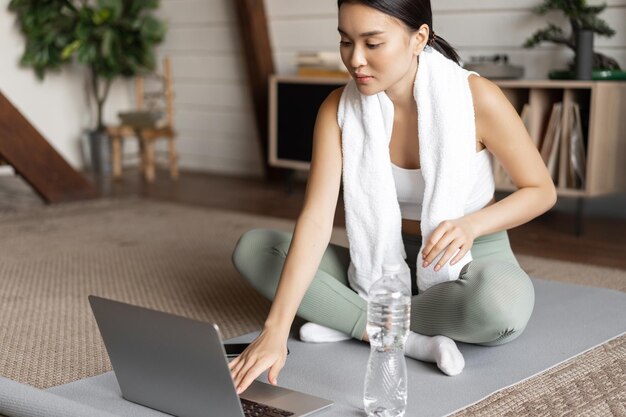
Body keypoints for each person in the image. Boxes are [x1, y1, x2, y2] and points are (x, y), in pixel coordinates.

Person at [229, 0, 556, 395]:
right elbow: (316, 219)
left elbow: (541, 190)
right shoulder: (338, 109)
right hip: (382, 254)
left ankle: (350, 319)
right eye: (346, 42)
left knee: (499, 309)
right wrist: (274, 330)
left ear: (418, 38)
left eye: (373, 43)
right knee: (255, 250)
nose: (355, 60)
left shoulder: (476, 98)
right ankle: (407, 338)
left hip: (466, 253)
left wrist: (471, 225)